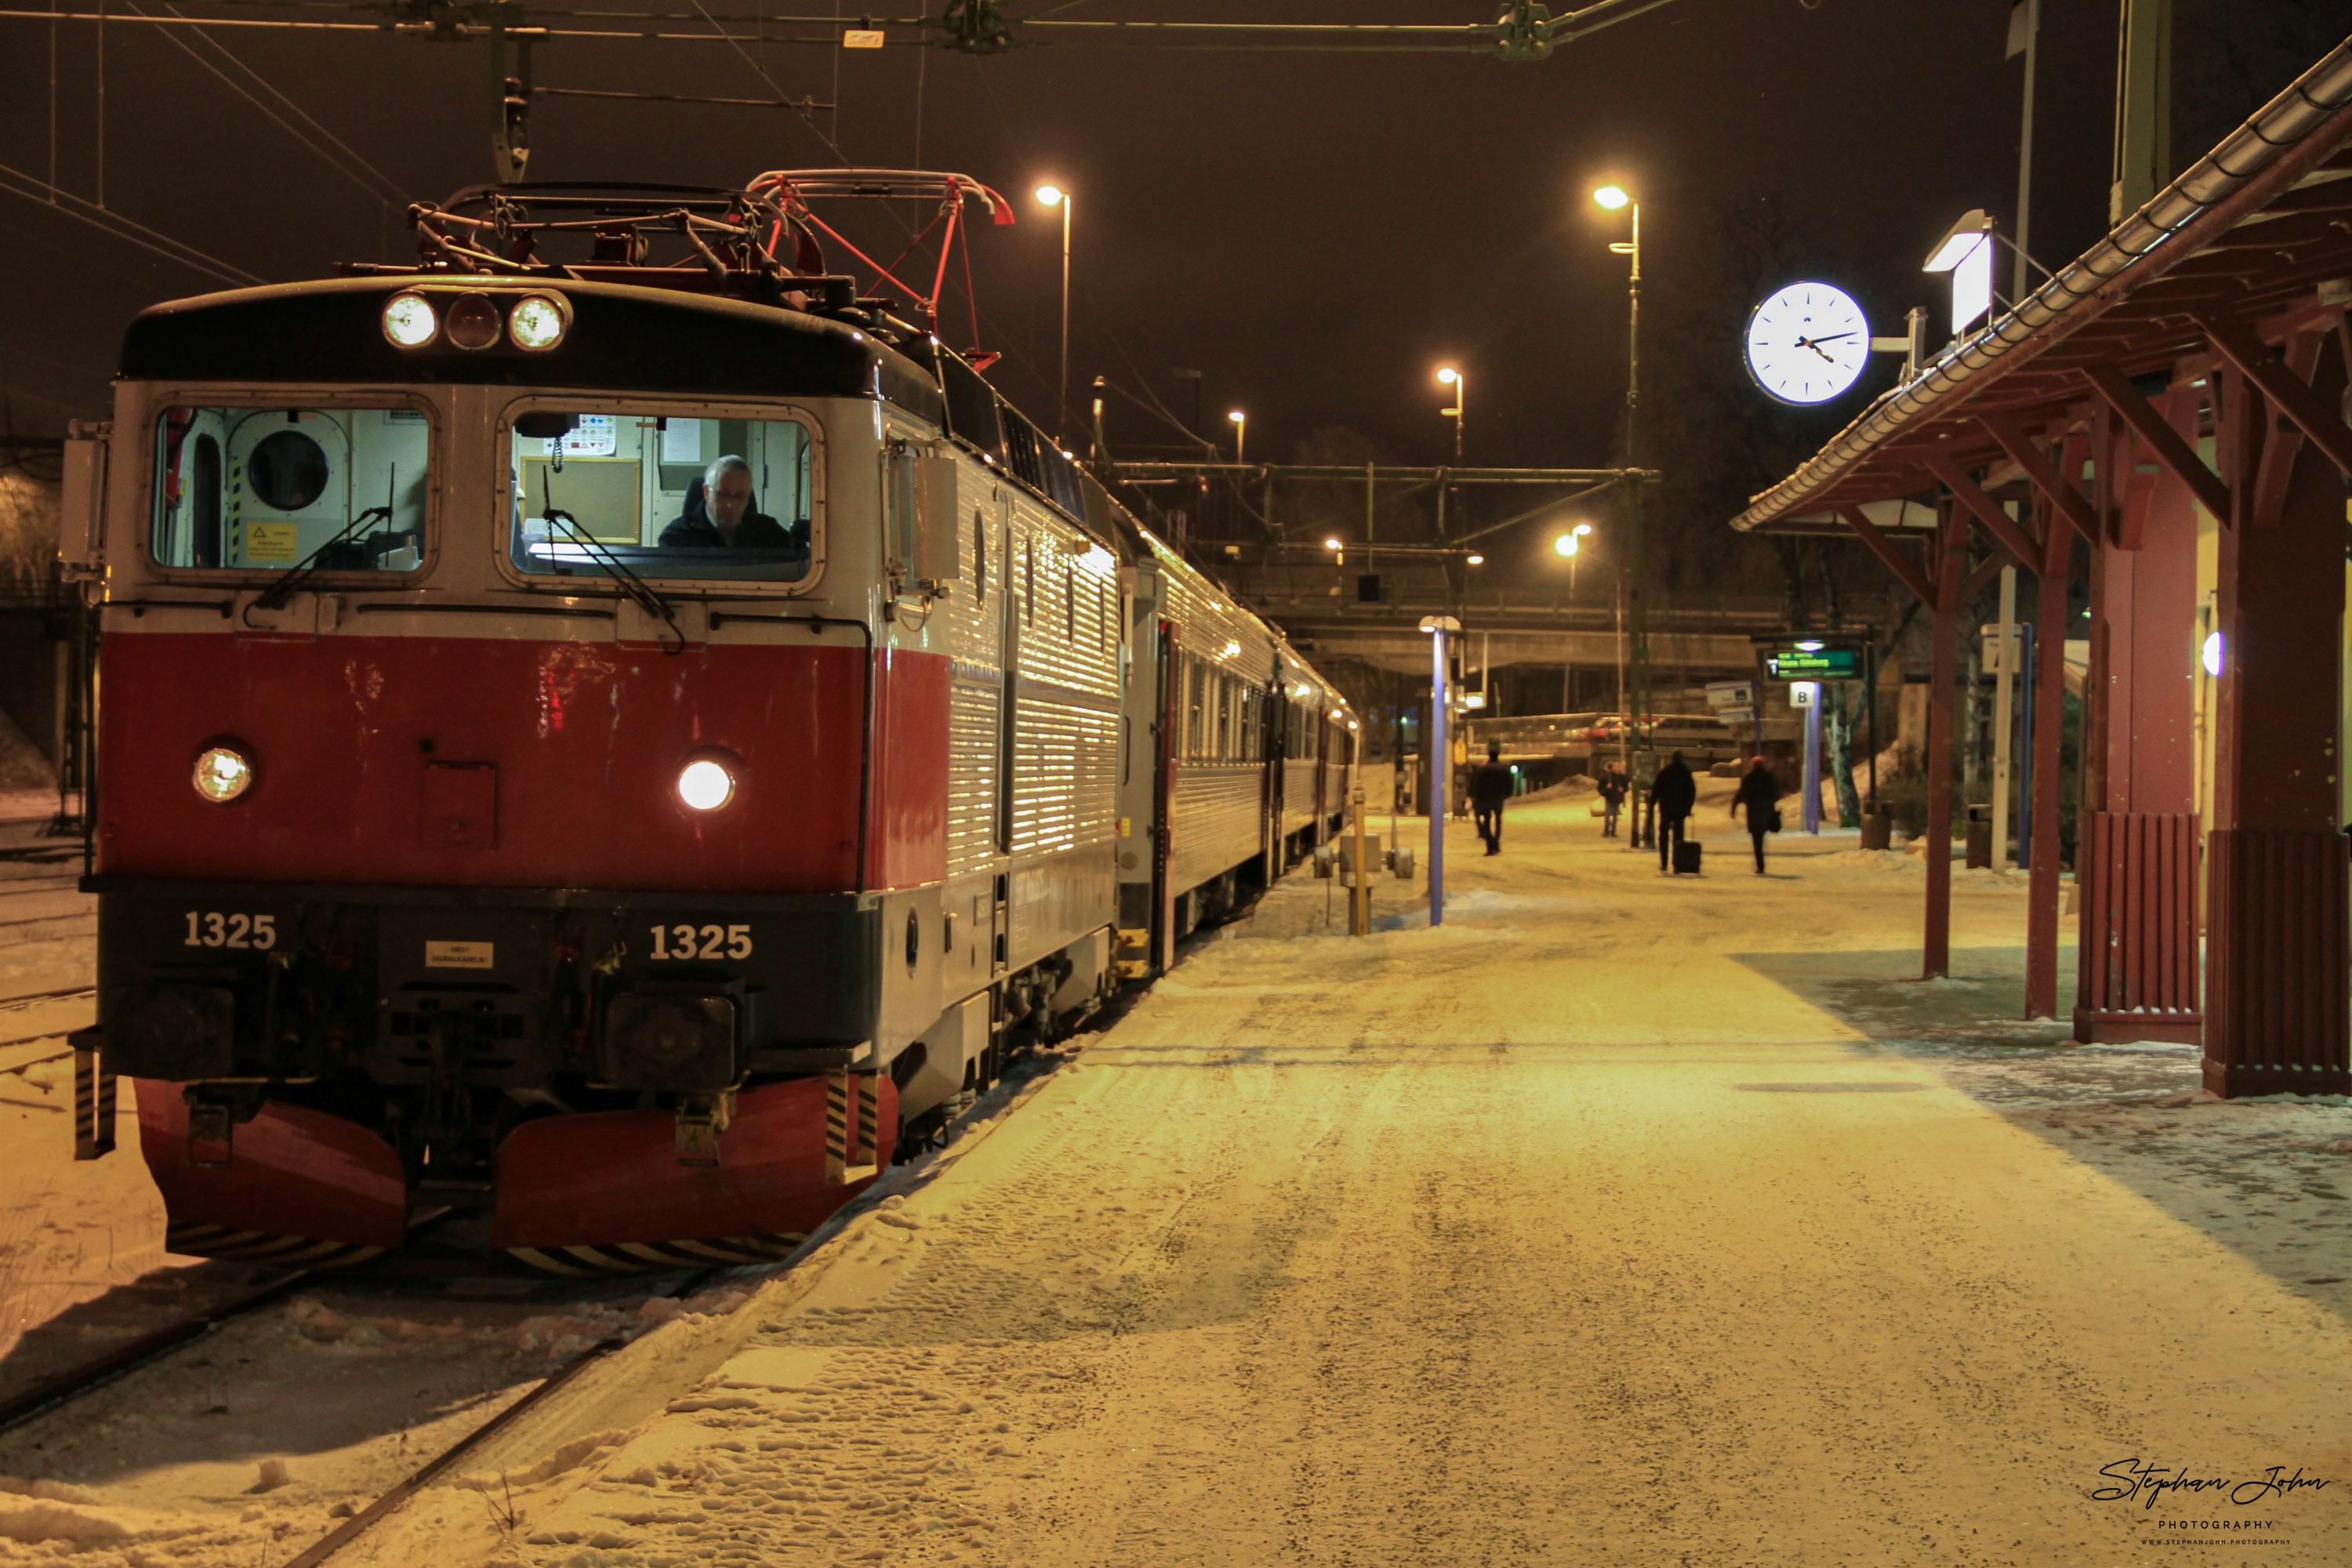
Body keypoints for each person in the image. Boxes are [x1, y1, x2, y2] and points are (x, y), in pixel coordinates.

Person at [659, 455, 800, 549]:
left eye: (740, 496)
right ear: (707, 492)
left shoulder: (768, 531)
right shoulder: (678, 536)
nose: (731, 505)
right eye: (722, 495)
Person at [1731, 755, 1783, 874]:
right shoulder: (1769, 777)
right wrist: (1770, 802)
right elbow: (1776, 794)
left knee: (1756, 839)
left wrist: (1734, 808)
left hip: (1753, 812)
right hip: (1766, 811)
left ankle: (1760, 865)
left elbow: (1740, 794)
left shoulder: (1749, 778)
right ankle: (1761, 864)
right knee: (1761, 836)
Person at [1650, 750, 1697, 873]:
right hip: (1680, 811)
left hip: (1666, 809)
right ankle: (1677, 864)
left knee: (1664, 836)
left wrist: (1652, 805)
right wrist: (1688, 808)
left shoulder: (1666, 771)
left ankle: (1664, 863)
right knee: (1678, 838)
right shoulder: (1686, 772)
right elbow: (1692, 792)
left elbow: (1656, 789)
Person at [1470, 742, 1514, 855]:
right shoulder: (1504, 768)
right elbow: (1510, 783)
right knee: (1498, 821)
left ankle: (1490, 846)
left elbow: (1478, 784)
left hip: (1486, 799)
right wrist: (1507, 794)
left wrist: (1478, 797)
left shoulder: (1483, 769)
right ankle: (1496, 843)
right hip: (1498, 799)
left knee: (1487, 822)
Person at [1596, 761, 1628, 838]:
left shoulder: (1622, 777)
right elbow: (1600, 786)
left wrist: (1623, 789)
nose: (1617, 768)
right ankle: (1606, 830)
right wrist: (1606, 789)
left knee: (1615, 815)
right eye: (1616, 766)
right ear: (1613, 768)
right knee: (1607, 814)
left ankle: (1613, 831)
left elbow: (1626, 787)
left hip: (1617, 798)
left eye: (1619, 766)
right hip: (1609, 797)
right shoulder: (1607, 777)